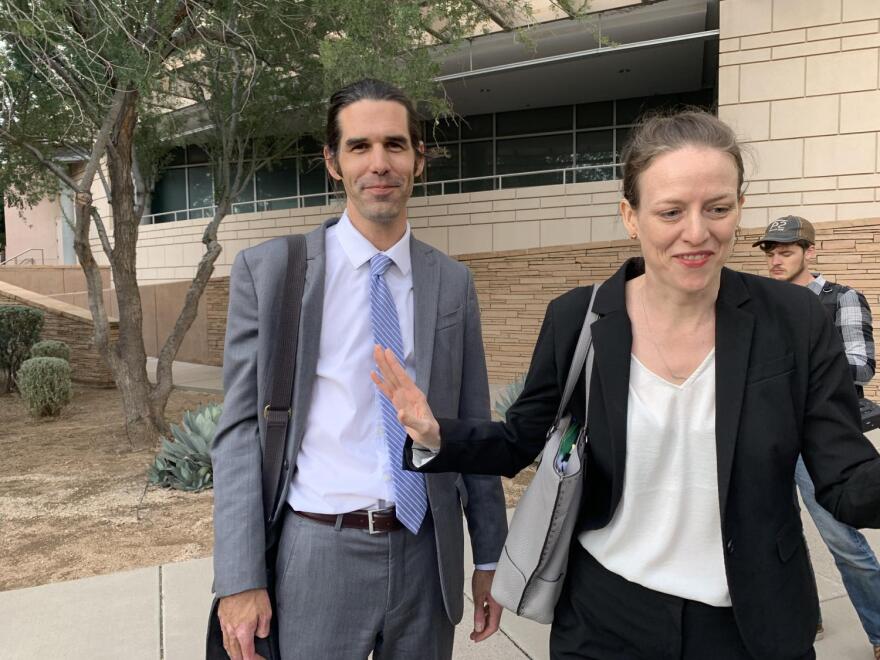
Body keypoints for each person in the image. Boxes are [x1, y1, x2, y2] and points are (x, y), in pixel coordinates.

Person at [374, 110, 880, 659]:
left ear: (738, 209)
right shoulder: (580, 319)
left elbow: (844, 480)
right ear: (630, 216)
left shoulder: (794, 320)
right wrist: (435, 435)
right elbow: (522, 440)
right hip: (605, 620)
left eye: (718, 208)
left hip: (752, 621)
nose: (698, 232)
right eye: (670, 211)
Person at [211, 78, 508, 660]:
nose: (380, 164)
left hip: (427, 552)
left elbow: (472, 422)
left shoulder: (452, 282)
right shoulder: (271, 274)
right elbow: (239, 434)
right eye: (359, 147)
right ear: (333, 161)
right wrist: (240, 578)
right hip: (319, 549)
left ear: (419, 159)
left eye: (396, 145)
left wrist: (491, 556)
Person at [756, 216, 880, 659]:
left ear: (810, 251)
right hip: (767, 439)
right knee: (778, 539)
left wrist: (790, 370)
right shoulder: (762, 304)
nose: (776, 259)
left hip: (817, 444)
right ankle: (806, 615)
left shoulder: (842, 298)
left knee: (844, 543)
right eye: (770, 252)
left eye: (786, 251)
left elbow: (861, 366)